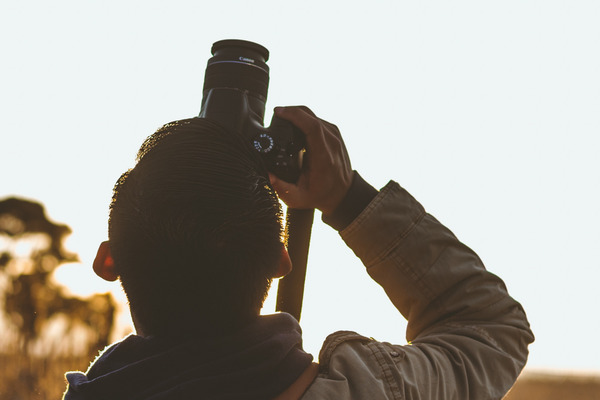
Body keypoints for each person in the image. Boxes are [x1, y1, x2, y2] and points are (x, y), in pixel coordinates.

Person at [63, 106, 534, 399]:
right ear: (280, 260)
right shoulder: (373, 390)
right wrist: (349, 198)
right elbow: (492, 330)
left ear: (108, 262)